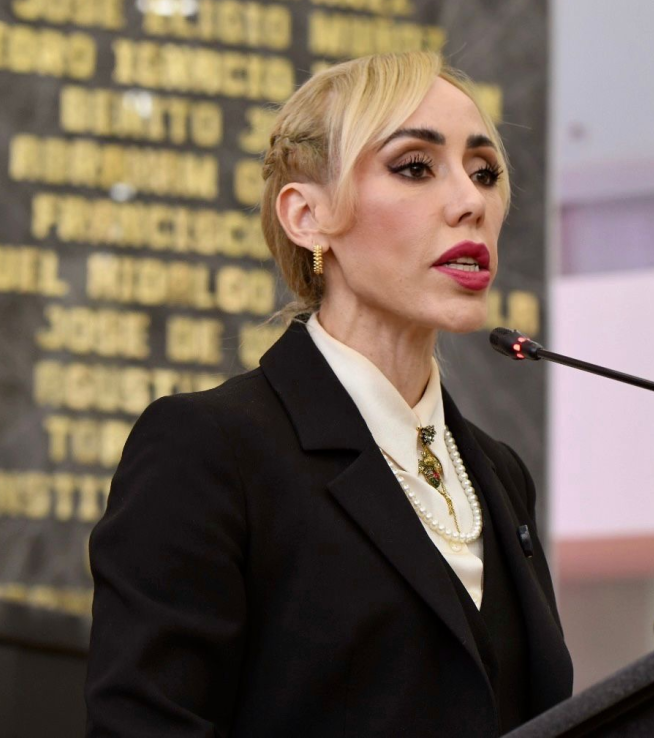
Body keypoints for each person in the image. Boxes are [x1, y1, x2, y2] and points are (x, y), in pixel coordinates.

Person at [85, 51, 573, 737]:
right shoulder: (209, 449)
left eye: (484, 171)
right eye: (416, 167)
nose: (471, 202)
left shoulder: (499, 472)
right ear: (307, 215)